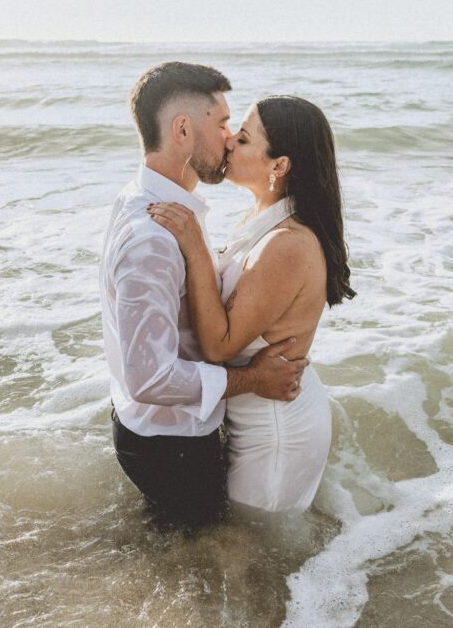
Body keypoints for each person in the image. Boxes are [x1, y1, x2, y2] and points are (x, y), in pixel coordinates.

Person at [101, 63, 309, 530]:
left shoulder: (151, 201)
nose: (230, 138)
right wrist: (253, 380)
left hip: (153, 432)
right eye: (220, 124)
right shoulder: (152, 237)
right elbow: (150, 378)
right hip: (171, 443)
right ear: (182, 129)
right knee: (203, 565)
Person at [148, 95, 356, 513]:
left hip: (275, 431)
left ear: (279, 166)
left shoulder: (287, 244)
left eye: (242, 139)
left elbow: (220, 346)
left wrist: (193, 246)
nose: (227, 143)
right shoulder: (264, 221)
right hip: (258, 412)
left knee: (258, 557)